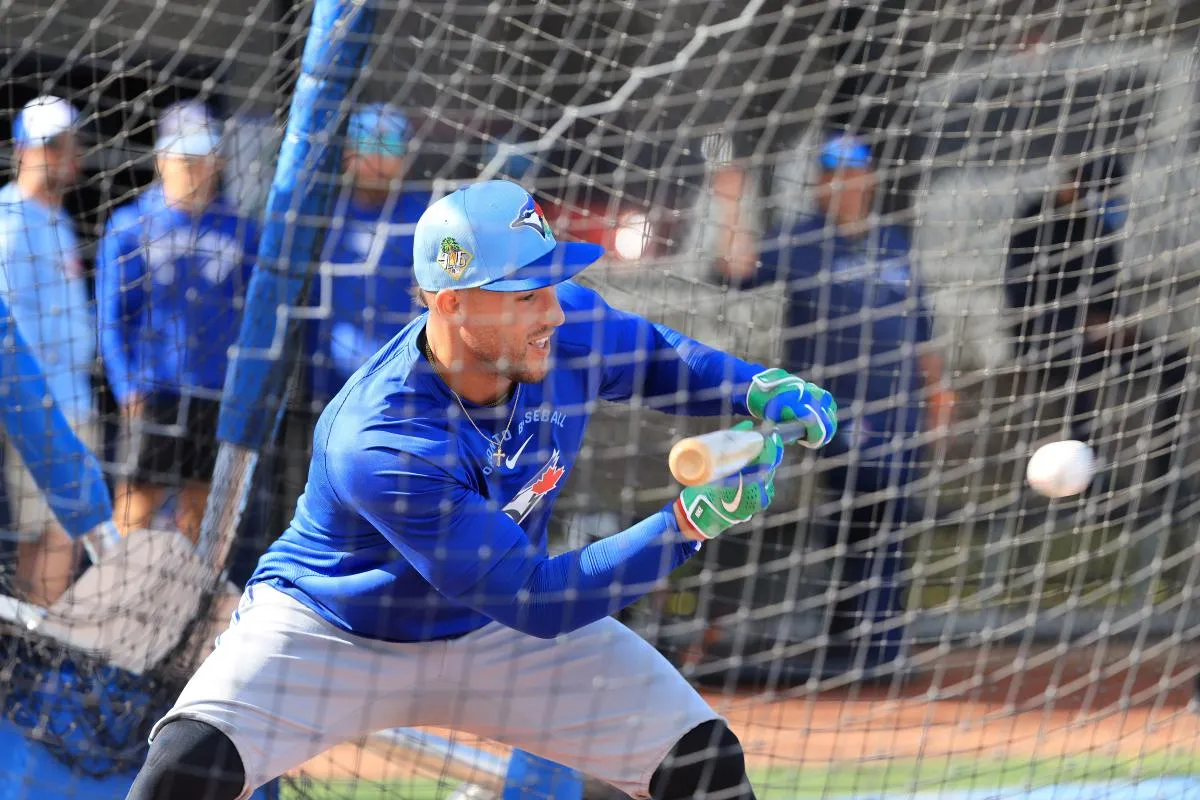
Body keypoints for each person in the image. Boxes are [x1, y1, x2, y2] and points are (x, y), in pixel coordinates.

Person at [125, 178, 838, 800]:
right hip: (335, 628)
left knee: (701, 762)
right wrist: (683, 526)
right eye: (526, 294)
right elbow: (537, 598)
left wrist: (759, 388)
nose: (553, 310)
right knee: (185, 769)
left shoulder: (565, 330)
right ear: (452, 302)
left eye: (551, 285)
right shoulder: (383, 439)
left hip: (490, 633)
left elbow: (657, 359)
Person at [714, 133, 947, 680]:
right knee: (867, 507)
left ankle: (874, 643)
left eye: (851, 172)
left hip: (901, 409)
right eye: (831, 173)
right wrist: (730, 201)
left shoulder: (891, 242)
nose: (841, 184)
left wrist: (940, 397)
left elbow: (921, 331)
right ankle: (864, 645)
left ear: (868, 179)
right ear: (820, 183)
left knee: (889, 522)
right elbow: (737, 270)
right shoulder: (803, 239)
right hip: (836, 410)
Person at [97, 101, 258, 544]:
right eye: (183, 156)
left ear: (219, 161)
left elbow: (255, 320)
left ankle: (189, 609)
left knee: (202, 516)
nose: (193, 168)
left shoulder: (241, 231)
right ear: (161, 159)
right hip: (154, 392)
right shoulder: (129, 227)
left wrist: (244, 388)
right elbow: (111, 318)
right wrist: (126, 386)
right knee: (134, 510)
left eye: (202, 156)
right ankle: (118, 607)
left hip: (215, 393)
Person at [0, 95, 98, 606]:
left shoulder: (56, 219)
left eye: (67, 143)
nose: (63, 155)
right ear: (22, 150)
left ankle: (37, 646)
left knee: (58, 534)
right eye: (50, 145)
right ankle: (40, 656)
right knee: (53, 534)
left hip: (72, 399)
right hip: (38, 405)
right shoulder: (10, 222)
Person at [309, 102, 431, 401]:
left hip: (405, 388)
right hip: (324, 385)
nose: (376, 158)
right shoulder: (318, 216)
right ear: (347, 152)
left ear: (405, 157)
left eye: (388, 146)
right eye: (366, 145)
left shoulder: (429, 218)